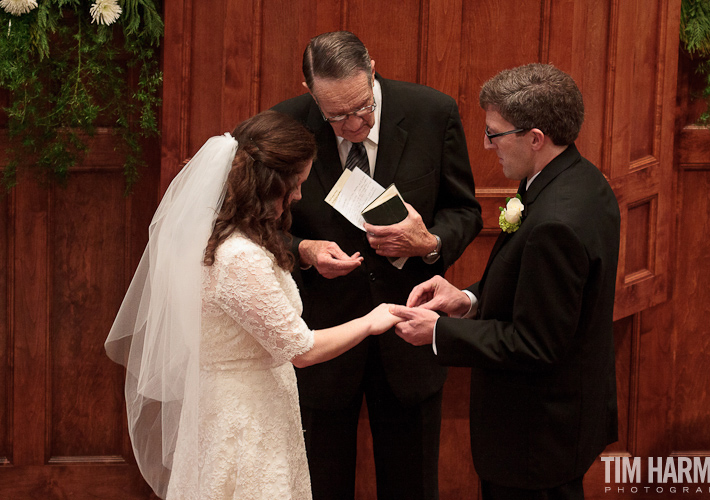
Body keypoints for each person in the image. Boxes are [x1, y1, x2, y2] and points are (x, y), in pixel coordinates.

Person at [104, 110, 400, 500]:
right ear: (270, 183)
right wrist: (371, 321)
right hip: (244, 421)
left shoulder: (218, 238)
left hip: (238, 406)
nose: (297, 195)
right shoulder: (238, 256)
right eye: (295, 184)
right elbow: (301, 349)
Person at [390, 63, 621, 500]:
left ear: (535, 138)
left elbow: (535, 343)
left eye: (494, 133)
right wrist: (466, 299)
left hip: (536, 436)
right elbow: (533, 288)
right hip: (563, 417)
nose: (485, 143)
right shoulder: (578, 178)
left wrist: (438, 331)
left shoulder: (557, 221)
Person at [271, 31, 482, 500]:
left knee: (412, 484)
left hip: (409, 333)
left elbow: (465, 211)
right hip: (322, 341)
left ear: (372, 67)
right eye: (336, 115)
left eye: (362, 107)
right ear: (312, 95)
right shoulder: (285, 123)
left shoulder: (432, 112)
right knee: (319, 485)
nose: (353, 125)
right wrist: (303, 251)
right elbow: (256, 227)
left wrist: (430, 244)